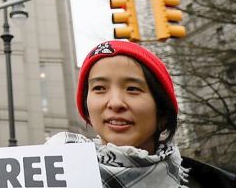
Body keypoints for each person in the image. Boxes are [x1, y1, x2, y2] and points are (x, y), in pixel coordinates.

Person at [47, 40, 235, 188]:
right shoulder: (52, 174)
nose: (115, 103)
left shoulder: (211, 182)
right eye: (99, 88)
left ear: (161, 112)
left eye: (132, 88)